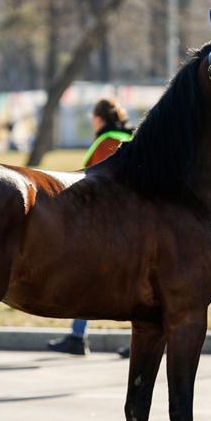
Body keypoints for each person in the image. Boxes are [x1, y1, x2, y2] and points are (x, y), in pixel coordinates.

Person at [48, 98, 133, 357]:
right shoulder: (128, 136)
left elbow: (98, 180)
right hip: (129, 218)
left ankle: (78, 336)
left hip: (108, 222)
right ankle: (78, 335)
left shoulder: (106, 141)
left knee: (90, 277)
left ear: (99, 118)